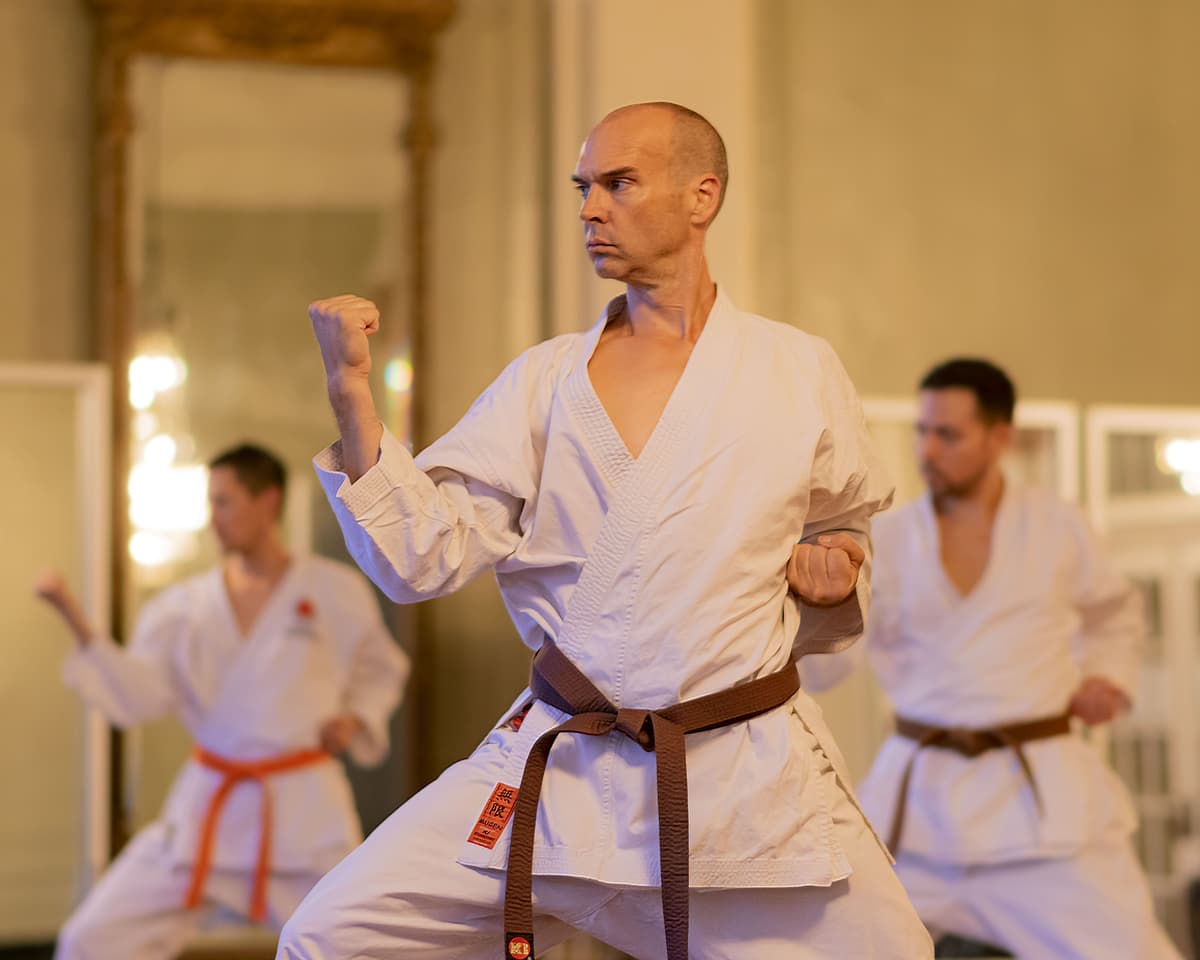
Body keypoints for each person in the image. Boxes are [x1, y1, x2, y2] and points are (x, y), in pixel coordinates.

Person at [279, 102, 932, 960]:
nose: (590, 208)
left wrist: (840, 565)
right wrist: (351, 390)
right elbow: (418, 555)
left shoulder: (795, 368)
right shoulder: (545, 381)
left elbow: (843, 521)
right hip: (565, 768)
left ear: (702, 197)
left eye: (618, 183)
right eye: (584, 187)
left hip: (739, 778)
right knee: (334, 936)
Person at [803, 358, 1181, 959]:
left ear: (999, 437)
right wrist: (815, 602)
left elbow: (1115, 613)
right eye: (923, 432)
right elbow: (828, 663)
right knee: (828, 944)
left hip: (1038, 814)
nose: (928, 449)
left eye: (948, 434)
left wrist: (1108, 678)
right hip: (917, 811)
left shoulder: (1057, 526)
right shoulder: (889, 540)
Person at [35, 443, 409, 960]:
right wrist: (76, 621)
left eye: (223, 502)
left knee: (352, 946)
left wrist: (356, 717)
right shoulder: (182, 608)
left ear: (268, 503)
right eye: (210, 504)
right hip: (207, 810)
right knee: (92, 939)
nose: (213, 520)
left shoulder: (335, 591)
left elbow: (380, 670)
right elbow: (141, 694)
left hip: (302, 812)